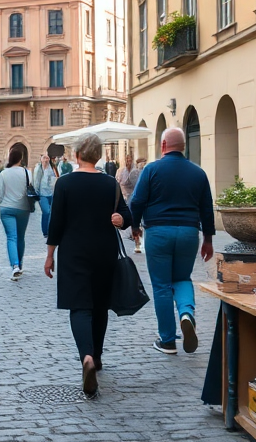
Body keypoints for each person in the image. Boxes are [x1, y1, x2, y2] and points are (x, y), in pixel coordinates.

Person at [44, 133, 132, 396]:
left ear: (77, 154)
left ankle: (87, 358)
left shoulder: (65, 183)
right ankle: (98, 356)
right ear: (99, 155)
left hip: (74, 252)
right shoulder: (110, 184)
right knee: (100, 306)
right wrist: (120, 220)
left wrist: (50, 255)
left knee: (80, 307)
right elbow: (126, 217)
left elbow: (56, 223)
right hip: (104, 251)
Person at [130, 128, 215, 355]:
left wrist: (135, 226)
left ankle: (167, 340)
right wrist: (208, 239)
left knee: (162, 285)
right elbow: (207, 209)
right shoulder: (198, 173)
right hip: (188, 233)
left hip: (158, 233)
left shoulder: (151, 170)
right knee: (182, 278)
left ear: (163, 145)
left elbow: (137, 201)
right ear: (184, 146)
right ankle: (186, 313)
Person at [0, 147, 33, 280]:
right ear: (21, 158)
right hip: (23, 208)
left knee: (11, 237)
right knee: (20, 237)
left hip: (6, 208)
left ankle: (15, 265)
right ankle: (20, 264)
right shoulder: (27, 173)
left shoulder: (4, 174)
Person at [32, 154, 59, 238]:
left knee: (52, 213)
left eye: (47, 158)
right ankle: (45, 231)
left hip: (52, 193)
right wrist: (36, 193)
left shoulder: (53, 167)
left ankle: (51, 230)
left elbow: (58, 177)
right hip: (42, 194)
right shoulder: (38, 169)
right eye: (44, 158)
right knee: (46, 212)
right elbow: (35, 181)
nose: (46, 159)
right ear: (41, 159)